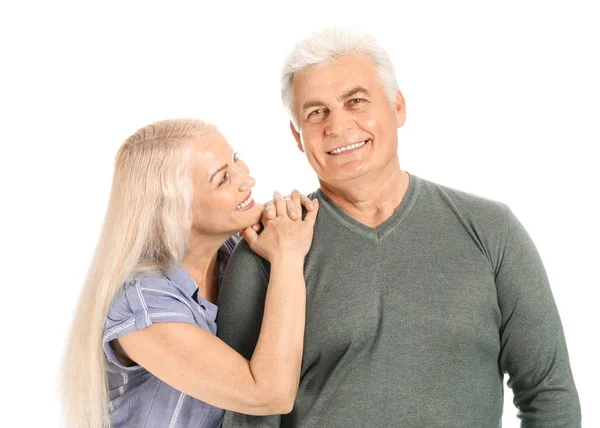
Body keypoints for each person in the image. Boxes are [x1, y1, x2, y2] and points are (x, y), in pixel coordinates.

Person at [216, 28, 581, 427]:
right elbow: (247, 418)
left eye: (355, 101)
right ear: (297, 137)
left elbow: (549, 395)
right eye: (316, 112)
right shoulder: (267, 250)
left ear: (398, 106)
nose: (337, 126)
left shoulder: (491, 231)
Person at [59, 119, 319, 428]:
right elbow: (267, 395)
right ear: (178, 212)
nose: (247, 179)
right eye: (223, 178)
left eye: (235, 160)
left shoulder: (234, 255)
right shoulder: (143, 305)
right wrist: (288, 255)